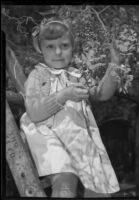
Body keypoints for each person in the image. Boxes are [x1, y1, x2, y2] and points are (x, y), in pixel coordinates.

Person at [20, 17, 122, 197]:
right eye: (50, 46)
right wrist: (64, 95)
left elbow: (101, 94)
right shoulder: (37, 75)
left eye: (64, 45)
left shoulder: (77, 74)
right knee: (65, 181)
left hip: (77, 137)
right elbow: (34, 112)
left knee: (97, 185)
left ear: (72, 47)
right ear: (40, 49)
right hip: (48, 136)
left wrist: (114, 65)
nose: (58, 52)